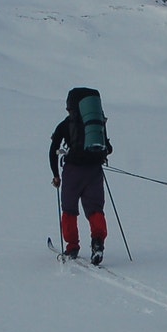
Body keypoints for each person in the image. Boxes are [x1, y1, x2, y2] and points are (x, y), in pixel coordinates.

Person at [49, 88, 112, 264]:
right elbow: (108, 148)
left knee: (69, 210)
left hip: (72, 172)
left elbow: (52, 151)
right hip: (94, 171)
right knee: (95, 209)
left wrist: (55, 175)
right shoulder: (96, 123)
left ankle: (72, 247)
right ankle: (98, 243)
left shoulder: (66, 124)